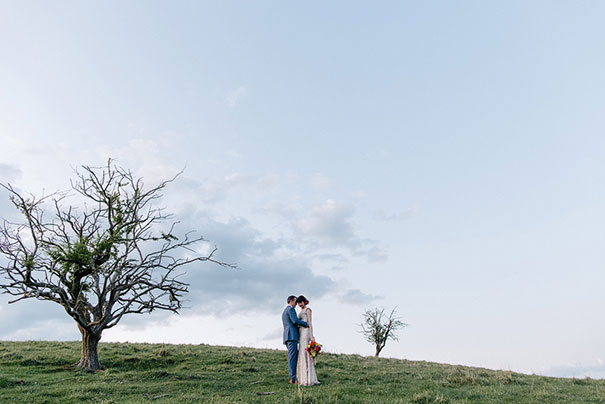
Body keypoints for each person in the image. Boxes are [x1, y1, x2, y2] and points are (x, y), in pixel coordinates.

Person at [282, 295, 308, 384]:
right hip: (291, 336)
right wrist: (306, 324)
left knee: (293, 356)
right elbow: (295, 321)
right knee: (292, 358)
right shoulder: (290, 309)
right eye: (295, 301)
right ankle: (293, 378)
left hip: (288, 336)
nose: (296, 304)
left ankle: (294, 376)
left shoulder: (285, 310)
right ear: (291, 301)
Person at [296, 295, 319, 386]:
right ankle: (302, 377)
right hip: (301, 333)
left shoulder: (307, 310)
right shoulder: (300, 312)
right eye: (298, 303)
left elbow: (310, 323)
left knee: (306, 352)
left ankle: (309, 378)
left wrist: (311, 336)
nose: (300, 304)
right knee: (301, 352)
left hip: (306, 332)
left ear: (304, 301)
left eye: (301, 302)